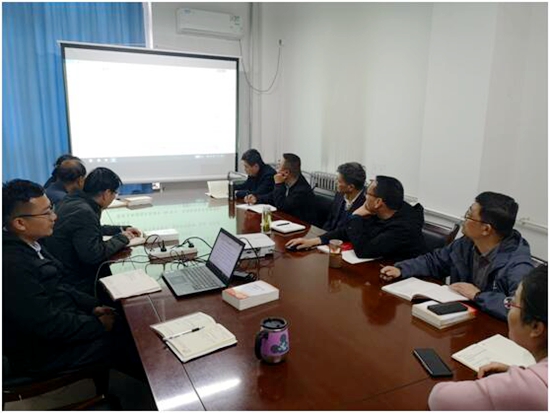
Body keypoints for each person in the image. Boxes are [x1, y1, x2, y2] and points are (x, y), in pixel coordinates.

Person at [2, 179, 143, 378]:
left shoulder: (32, 244)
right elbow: (47, 324)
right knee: (136, 339)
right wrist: (97, 324)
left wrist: (92, 307)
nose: (54, 217)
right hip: (42, 354)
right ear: (20, 223)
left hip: (58, 329)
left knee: (128, 324)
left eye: (51, 209)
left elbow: (61, 286)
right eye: (46, 213)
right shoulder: (12, 265)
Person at [380, 192, 533, 320]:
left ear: (486, 229)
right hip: (457, 318)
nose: (463, 220)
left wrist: (478, 296)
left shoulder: (518, 265)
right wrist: (401, 269)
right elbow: (435, 261)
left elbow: (520, 310)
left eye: (469, 216)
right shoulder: (467, 243)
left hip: (491, 333)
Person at [428, 265, 548, 410]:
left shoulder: (529, 389)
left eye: (513, 303)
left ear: (536, 327)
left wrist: (518, 383)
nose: (509, 306)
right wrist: (522, 374)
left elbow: (439, 398)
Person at [43, 167, 141, 295]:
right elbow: (93, 254)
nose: (114, 197)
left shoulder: (73, 200)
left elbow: (90, 230)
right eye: (115, 193)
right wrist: (123, 238)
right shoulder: (84, 211)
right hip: (75, 281)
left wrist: (121, 229)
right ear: (106, 193)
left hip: (64, 269)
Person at [287, 176, 426, 261]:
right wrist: (314, 241)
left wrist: (356, 216)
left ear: (378, 202)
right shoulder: (381, 210)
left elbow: (364, 251)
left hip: (401, 280)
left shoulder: (403, 227)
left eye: (367, 194)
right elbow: (346, 231)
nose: (364, 197)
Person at [245, 153, 316, 223]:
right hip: (288, 222)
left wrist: (278, 184)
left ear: (286, 173)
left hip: (302, 226)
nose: (276, 169)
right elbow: (273, 196)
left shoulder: (301, 190)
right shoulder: (288, 182)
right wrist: (257, 198)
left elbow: (281, 207)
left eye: (278, 166)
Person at [323, 162, 366, 231]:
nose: (336, 182)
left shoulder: (365, 204)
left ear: (351, 187)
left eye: (339, 181)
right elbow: (330, 220)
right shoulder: (340, 193)